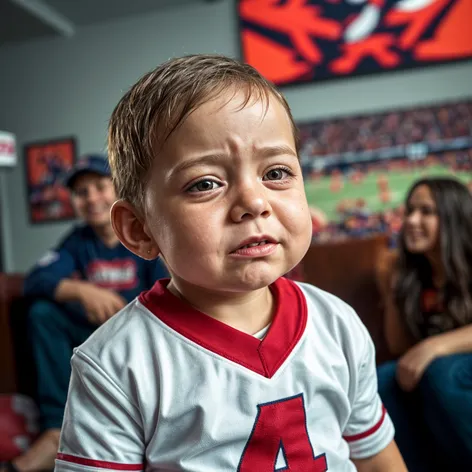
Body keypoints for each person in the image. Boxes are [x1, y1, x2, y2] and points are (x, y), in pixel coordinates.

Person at [55, 55, 406, 471]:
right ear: (139, 229)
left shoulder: (338, 324)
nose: (254, 202)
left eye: (276, 173)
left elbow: (375, 458)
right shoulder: (115, 364)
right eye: (205, 183)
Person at [2, 155, 168, 472]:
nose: (91, 198)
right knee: (42, 312)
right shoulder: (78, 242)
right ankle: (56, 426)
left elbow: (168, 290)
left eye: (99, 187)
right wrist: (83, 291)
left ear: (118, 188)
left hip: (142, 338)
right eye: (81, 193)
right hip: (93, 337)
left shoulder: (144, 232)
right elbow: (37, 278)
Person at [376, 177, 472, 471]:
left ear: (453, 216)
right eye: (409, 211)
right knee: (383, 380)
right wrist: (390, 287)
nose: (411, 221)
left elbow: (423, 354)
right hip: (437, 371)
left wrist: (434, 346)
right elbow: (400, 347)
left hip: (451, 370)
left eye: (426, 211)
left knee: (441, 372)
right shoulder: (412, 274)